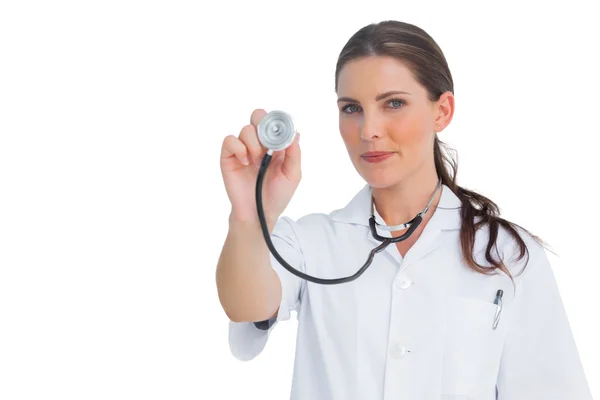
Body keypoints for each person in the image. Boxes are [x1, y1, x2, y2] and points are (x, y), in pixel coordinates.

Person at [215, 20, 593, 399]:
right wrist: (249, 215)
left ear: (442, 111)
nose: (369, 130)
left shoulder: (508, 253)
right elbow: (246, 306)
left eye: (393, 103)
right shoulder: (309, 242)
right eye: (352, 108)